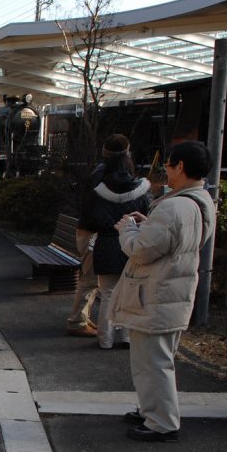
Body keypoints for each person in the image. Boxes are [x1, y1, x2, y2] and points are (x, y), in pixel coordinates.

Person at [108, 140, 216, 442]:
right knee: (155, 360)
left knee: (153, 362)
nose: (166, 170)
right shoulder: (201, 200)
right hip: (174, 292)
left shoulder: (173, 206)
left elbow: (141, 251)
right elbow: (172, 241)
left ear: (180, 167)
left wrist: (127, 229)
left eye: (168, 165)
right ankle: (150, 410)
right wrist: (149, 223)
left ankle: (161, 422)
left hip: (156, 294)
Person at [81, 134, 151, 349]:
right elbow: (147, 214)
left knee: (108, 293)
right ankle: (128, 338)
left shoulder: (99, 188)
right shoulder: (141, 188)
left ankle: (105, 339)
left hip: (107, 244)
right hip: (132, 245)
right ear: (128, 157)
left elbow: (91, 219)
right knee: (131, 292)